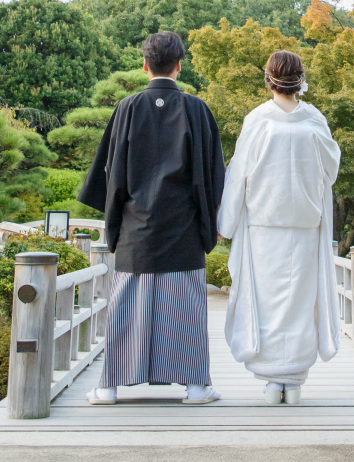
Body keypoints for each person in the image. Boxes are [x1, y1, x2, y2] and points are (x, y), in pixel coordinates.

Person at [79, 30, 226, 406]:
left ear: (145, 65)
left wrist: (116, 222)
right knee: (188, 309)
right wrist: (211, 225)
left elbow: (110, 177)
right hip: (184, 227)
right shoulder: (197, 109)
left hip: (135, 227)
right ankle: (195, 387)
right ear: (179, 65)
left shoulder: (127, 107)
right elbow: (213, 177)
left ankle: (109, 387)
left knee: (124, 306)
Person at [217, 49, 340, 406]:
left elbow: (238, 173)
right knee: (300, 302)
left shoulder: (257, 119)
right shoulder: (314, 119)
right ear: (301, 79)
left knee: (266, 301)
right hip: (304, 222)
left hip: (264, 225)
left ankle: (272, 381)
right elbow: (329, 170)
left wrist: (227, 221)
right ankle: (295, 379)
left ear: (268, 78)